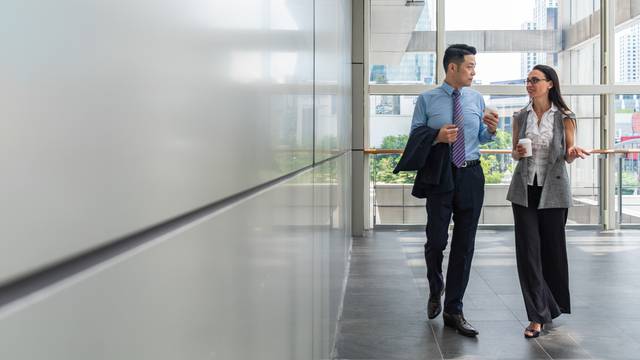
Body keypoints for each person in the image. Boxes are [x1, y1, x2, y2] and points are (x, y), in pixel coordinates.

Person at [394, 44, 498, 337]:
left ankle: (454, 309)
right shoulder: (427, 100)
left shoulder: (477, 99)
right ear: (452, 67)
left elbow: (481, 138)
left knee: (465, 244)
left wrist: (490, 131)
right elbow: (415, 135)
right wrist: (437, 136)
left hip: (472, 174)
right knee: (436, 240)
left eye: (474, 66)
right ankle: (435, 286)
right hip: (441, 175)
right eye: (469, 66)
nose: (473, 72)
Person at [506, 64, 590, 339]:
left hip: (553, 192)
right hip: (524, 190)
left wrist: (573, 152)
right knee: (528, 254)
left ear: (549, 84)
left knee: (552, 252)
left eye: (535, 80)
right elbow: (515, 155)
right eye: (527, 80)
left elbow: (567, 152)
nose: (530, 84)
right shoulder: (520, 116)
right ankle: (536, 317)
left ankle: (550, 305)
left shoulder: (564, 116)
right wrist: (518, 152)